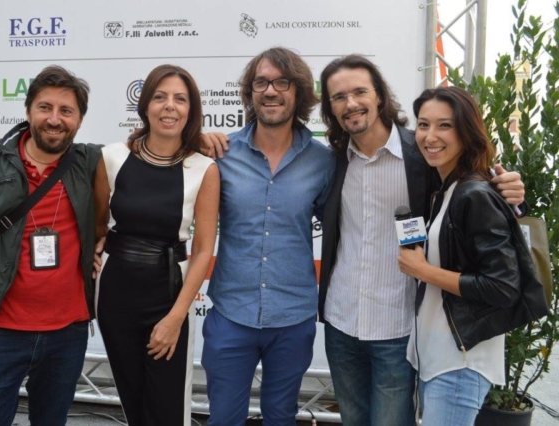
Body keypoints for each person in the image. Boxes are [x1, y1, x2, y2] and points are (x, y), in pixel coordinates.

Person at [317, 55, 525, 426]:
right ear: (330, 108)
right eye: (338, 97)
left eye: (360, 92)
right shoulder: (333, 161)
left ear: (379, 96)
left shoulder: (424, 155)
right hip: (340, 322)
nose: (351, 103)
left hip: (399, 327)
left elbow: (476, 190)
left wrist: (514, 195)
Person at [0, 65, 102, 425]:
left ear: (79, 120)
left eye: (66, 110)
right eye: (45, 107)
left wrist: (198, 142)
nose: (54, 119)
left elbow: (153, 154)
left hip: (67, 333)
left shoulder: (93, 162)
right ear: (28, 111)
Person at [200, 47, 335, 426]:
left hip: (293, 317)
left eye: (282, 82)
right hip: (231, 314)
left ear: (299, 92)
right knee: (223, 419)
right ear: (250, 92)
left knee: (281, 417)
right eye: (261, 82)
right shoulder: (221, 153)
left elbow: (348, 224)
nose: (271, 91)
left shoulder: (323, 161)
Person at [397, 86, 546, 425]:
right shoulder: (446, 189)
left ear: (467, 131)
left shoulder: (473, 193)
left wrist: (423, 270)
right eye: (423, 125)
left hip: (459, 363)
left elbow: (502, 287)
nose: (430, 136)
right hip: (437, 356)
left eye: (444, 126)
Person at [94, 64, 219, 425]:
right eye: (160, 97)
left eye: (180, 99)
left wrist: (176, 318)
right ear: (145, 105)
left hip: (168, 294)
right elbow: (98, 224)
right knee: (133, 402)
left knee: (167, 410)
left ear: (191, 110)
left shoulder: (204, 169)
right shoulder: (112, 157)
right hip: (115, 294)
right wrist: (92, 251)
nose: (169, 106)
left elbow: (203, 250)